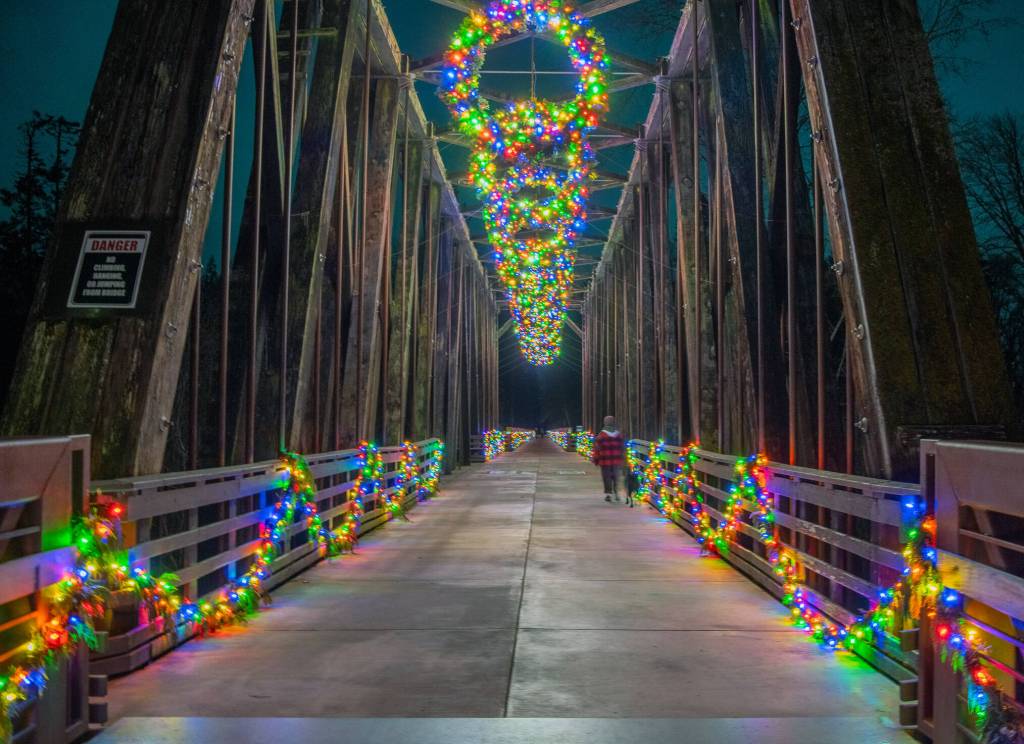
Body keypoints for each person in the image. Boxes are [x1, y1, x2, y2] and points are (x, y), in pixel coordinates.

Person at [592, 415, 626, 504]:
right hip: (616, 460)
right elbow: (622, 448)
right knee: (615, 476)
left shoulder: (601, 435)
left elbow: (597, 449)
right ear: (613, 422)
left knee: (606, 477)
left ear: (605, 423)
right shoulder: (618, 435)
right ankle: (616, 493)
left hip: (605, 460)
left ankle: (609, 495)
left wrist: (596, 460)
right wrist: (623, 459)